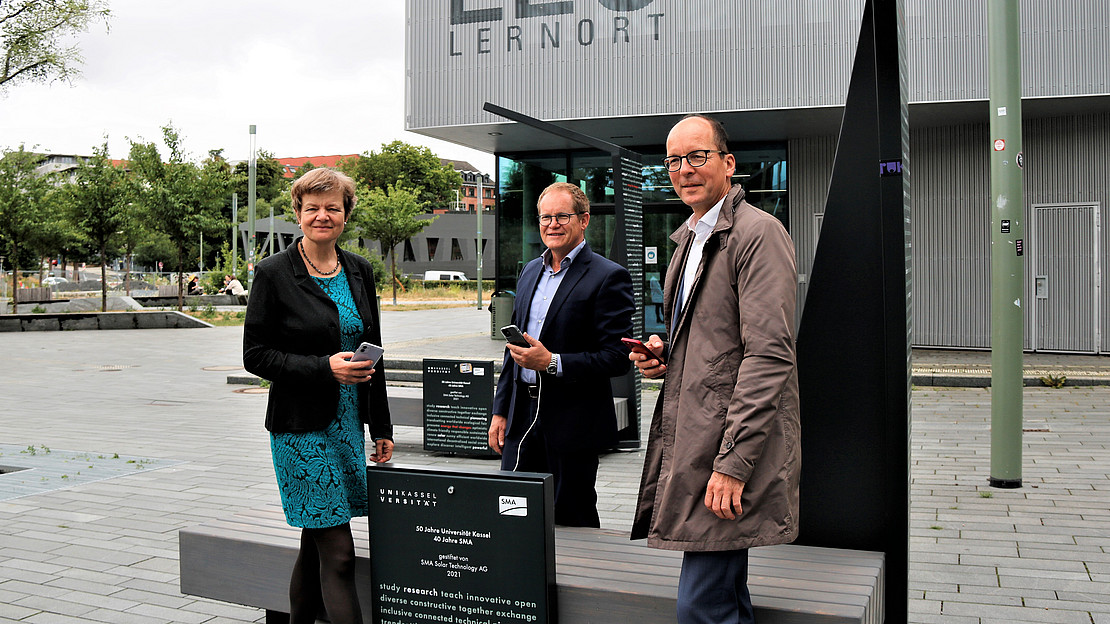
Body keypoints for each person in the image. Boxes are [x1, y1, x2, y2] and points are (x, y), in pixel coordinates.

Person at [629, 114, 801, 624]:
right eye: (674, 160)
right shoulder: (690, 239)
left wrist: (733, 464)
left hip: (723, 445)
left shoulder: (758, 235)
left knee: (702, 606)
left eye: (697, 156)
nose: (684, 169)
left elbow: (769, 355)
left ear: (728, 163)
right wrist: (665, 353)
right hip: (698, 439)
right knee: (717, 601)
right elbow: (711, 340)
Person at [243, 167, 393, 624]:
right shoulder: (273, 273)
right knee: (340, 553)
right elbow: (256, 355)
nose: (322, 216)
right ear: (298, 213)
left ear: (346, 214)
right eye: (312, 208)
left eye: (332, 207)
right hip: (300, 430)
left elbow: (374, 351)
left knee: (315, 548)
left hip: (346, 425)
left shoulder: (359, 270)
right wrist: (323, 367)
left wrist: (381, 425)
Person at [488, 181, 634, 528]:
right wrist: (500, 409)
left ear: (584, 220)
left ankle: (575, 581)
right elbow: (514, 350)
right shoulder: (529, 272)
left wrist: (552, 363)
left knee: (571, 517)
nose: (552, 224)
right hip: (521, 413)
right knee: (513, 514)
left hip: (572, 420)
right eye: (545, 217)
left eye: (562, 216)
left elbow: (616, 357)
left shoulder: (608, 276)